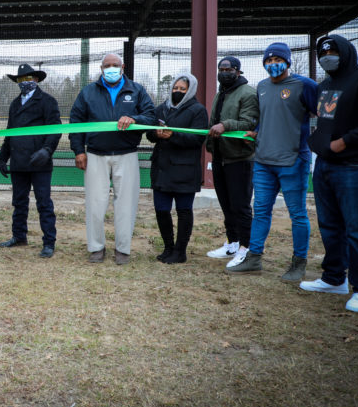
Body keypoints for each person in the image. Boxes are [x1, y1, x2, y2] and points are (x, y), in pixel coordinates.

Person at [299, 35, 358, 313]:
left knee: (357, 229)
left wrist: (345, 141)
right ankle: (334, 278)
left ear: (346, 52)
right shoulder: (325, 84)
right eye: (323, 52)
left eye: (333, 50)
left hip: (356, 165)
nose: (327, 55)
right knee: (329, 225)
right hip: (326, 164)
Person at [227, 43, 317, 278]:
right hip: (263, 161)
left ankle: (299, 264)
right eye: (268, 60)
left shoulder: (304, 85)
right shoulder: (263, 86)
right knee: (261, 210)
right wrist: (256, 131)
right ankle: (254, 258)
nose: (272, 64)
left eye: (277, 59)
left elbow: (326, 113)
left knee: (297, 214)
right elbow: (266, 116)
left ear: (287, 61)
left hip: (293, 160)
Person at [69, 53, 155, 265]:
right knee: (95, 204)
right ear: (101, 69)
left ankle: (122, 250)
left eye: (115, 65)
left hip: (127, 154)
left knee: (126, 204)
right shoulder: (88, 92)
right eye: (107, 65)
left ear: (123, 67)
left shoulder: (136, 90)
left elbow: (151, 115)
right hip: (96, 155)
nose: (111, 68)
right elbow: (75, 122)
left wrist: (134, 118)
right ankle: (96, 248)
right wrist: (79, 150)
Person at [0, 63, 61, 258]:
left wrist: (47, 150)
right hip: (18, 162)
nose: (24, 82)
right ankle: (19, 236)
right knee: (19, 202)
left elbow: (55, 129)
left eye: (28, 78)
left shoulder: (47, 101)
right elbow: (10, 132)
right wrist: (3, 156)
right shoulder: (15, 104)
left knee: (43, 203)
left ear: (36, 80)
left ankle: (49, 242)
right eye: (20, 79)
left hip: (39, 162)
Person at [146, 73, 208, 264]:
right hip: (162, 169)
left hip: (185, 170)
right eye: (175, 88)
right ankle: (168, 247)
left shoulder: (198, 110)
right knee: (161, 210)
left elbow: (198, 139)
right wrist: (156, 134)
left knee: (183, 211)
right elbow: (149, 133)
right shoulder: (162, 109)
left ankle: (180, 251)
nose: (178, 92)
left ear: (190, 91)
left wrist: (172, 136)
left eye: (182, 89)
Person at [204, 56, 259, 267]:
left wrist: (225, 125)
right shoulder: (222, 93)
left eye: (228, 69)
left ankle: (246, 247)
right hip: (220, 157)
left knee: (241, 206)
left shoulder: (248, 93)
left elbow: (249, 122)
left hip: (240, 159)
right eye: (221, 68)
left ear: (238, 71)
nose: (223, 72)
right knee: (226, 205)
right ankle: (232, 242)